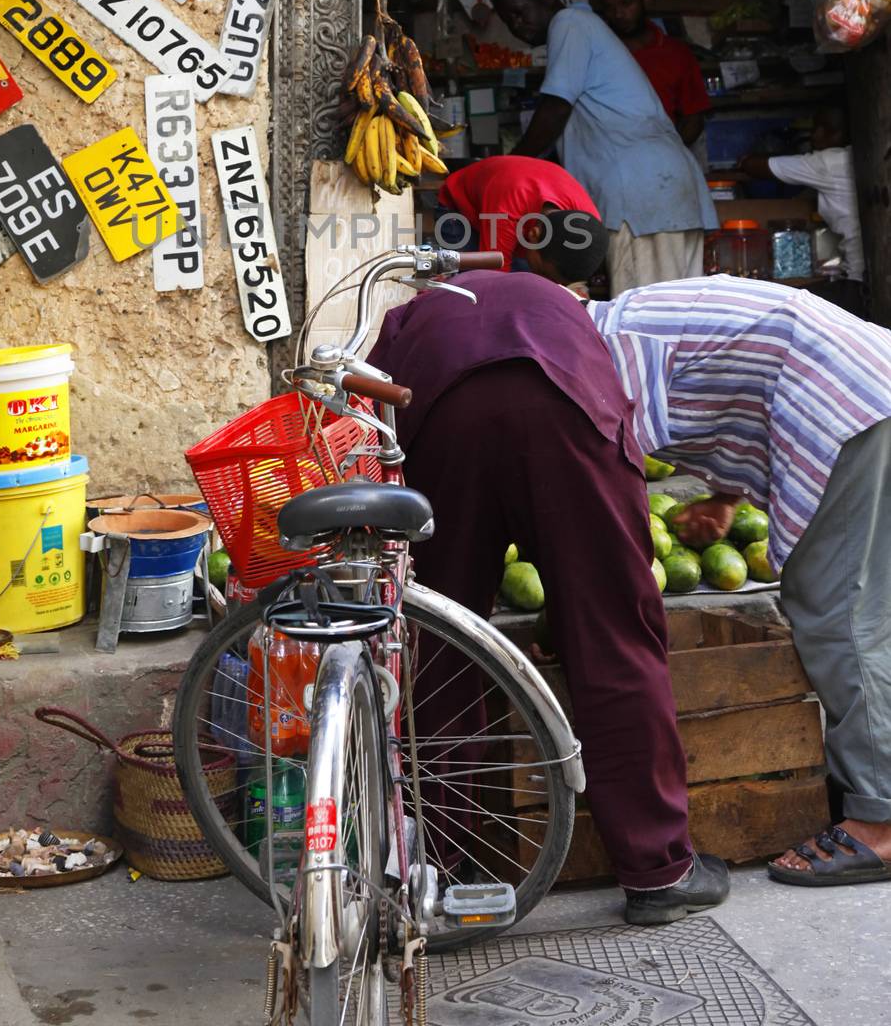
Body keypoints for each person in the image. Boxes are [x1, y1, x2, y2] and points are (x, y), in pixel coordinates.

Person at [367, 270, 730, 923]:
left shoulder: (404, 320)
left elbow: (375, 422)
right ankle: (658, 872)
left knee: (441, 642)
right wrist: (572, 615)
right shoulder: (566, 310)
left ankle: (441, 861)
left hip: (442, 428)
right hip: (568, 409)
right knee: (616, 636)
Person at [588, 275, 891, 888]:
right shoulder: (623, 319)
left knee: (840, 614)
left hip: (844, 402)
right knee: (871, 610)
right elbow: (746, 370)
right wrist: (726, 497)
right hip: (866, 384)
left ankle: (880, 824)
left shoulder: (607, 346)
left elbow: (614, 470)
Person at [493, 0, 717, 293]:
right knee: (678, 320)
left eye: (519, 12)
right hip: (662, 194)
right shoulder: (585, 27)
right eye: (508, 20)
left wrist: (508, 170)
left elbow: (555, 108)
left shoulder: (568, 23)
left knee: (644, 322)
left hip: (641, 199)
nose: (517, 25)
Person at [739, 106, 865, 315]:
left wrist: (744, 160)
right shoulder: (860, 158)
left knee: (774, 309)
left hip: (859, 286)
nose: (816, 135)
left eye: (827, 129)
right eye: (815, 127)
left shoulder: (830, 162)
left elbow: (756, 165)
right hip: (860, 280)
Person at [436, 155, 605, 280]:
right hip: (461, 211)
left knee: (531, 286)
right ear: (533, 234)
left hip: (510, 223)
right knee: (470, 289)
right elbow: (491, 283)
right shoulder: (507, 212)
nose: (546, 279)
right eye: (543, 272)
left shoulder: (588, 228)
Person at [596, 0, 711, 144]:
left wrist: (668, 155)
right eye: (610, 8)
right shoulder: (597, 54)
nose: (618, 14)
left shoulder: (676, 54)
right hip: (612, 161)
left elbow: (694, 118)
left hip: (664, 162)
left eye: (626, 3)